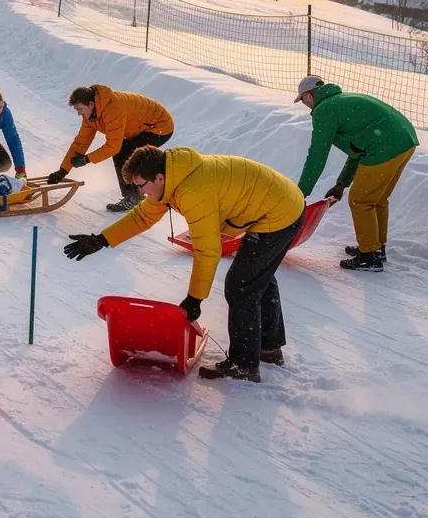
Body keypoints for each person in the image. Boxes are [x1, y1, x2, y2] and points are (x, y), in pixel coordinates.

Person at [64, 145, 304, 383]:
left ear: (158, 177)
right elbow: (142, 216)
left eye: (140, 186)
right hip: (276, 201)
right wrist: (101, 240)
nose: (140, 193)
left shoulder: (192, 192)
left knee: (241, 285)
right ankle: (269, 348)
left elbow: (208, 250)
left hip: (279, 212)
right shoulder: (171, 180)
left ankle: (243, 365)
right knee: (255, 275)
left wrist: (194, 299)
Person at [294, 75, 419, 272]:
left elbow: (317, 155)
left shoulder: (324, 110)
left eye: (302, 100)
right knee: (376, 199)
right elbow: (357, 150)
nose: (305, 105)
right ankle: (376, 248)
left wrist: (301, 192)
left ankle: (370, 257)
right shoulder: (341, 102)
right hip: (404, 140)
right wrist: (341, 184)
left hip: (385, 145)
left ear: (309, 96)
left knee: (361, 200)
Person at [45, 85, 174, 212]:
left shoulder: (113, 109)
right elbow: (80, 143)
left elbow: (113, 147)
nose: (79, 113)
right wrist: (63, 170)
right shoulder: (91, 115)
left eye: (80, 109)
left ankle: (135, 196)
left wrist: (86, 159)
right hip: (139, 126)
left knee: (124, 153)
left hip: (159, 126)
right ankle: (138, 192)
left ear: (90, 104)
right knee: (124, 152)